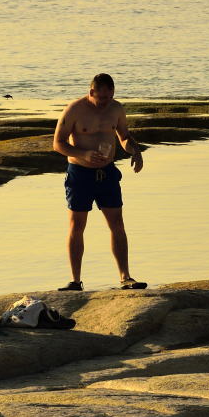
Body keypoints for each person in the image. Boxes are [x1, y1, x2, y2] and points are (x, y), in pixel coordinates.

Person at [52, 72, 146, 291]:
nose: (106, 102)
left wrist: (135, 151)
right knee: (77, 226)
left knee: (117, 225)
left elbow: (124, 137)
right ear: (91, 92)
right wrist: (84, 154)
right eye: (102, 98)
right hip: (80, 174)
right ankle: (75, 281)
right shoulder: (74, 110)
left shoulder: (116, 109)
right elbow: (58, 143)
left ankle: (125, 277)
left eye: (110, 97)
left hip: (107, 174)